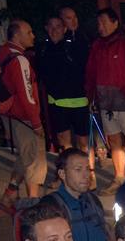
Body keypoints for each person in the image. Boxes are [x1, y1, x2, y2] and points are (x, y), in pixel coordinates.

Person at [85, 8, 125, 195]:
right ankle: (119, 176)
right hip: (106, 103)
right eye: (98, 23)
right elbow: (91, 73)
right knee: (114, 141)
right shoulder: (97, 46)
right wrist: (92, 96)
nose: (100, 27)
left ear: (115, 23)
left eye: (104, 22)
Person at [0, 21, 47, 207]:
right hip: (23, 117)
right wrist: (36, 123)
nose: (33, 35)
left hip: (11, 114)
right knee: (35, 161)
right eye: (29, 32)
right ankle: (33, 205)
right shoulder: (20, 60)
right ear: (17, 36)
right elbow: (27, 94)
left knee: (25, 156)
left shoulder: (2, 52)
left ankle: (10, 192)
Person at [49, 148, 110, 241]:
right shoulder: (52, 205)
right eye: (78, 170)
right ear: (62, 174)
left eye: (88, 169)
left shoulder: (93, 200)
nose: (86, 175)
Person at [39, 16, 91, 159]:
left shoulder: (74, 46)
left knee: (83, 142)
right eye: (51, 26)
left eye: (58, 26)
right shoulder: (43, 48)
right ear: (46, 28)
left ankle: (89, 172)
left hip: (78, 100)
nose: (54, 30)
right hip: (56, 103)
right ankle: (69, 171)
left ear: (65, 28)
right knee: (63, 141)